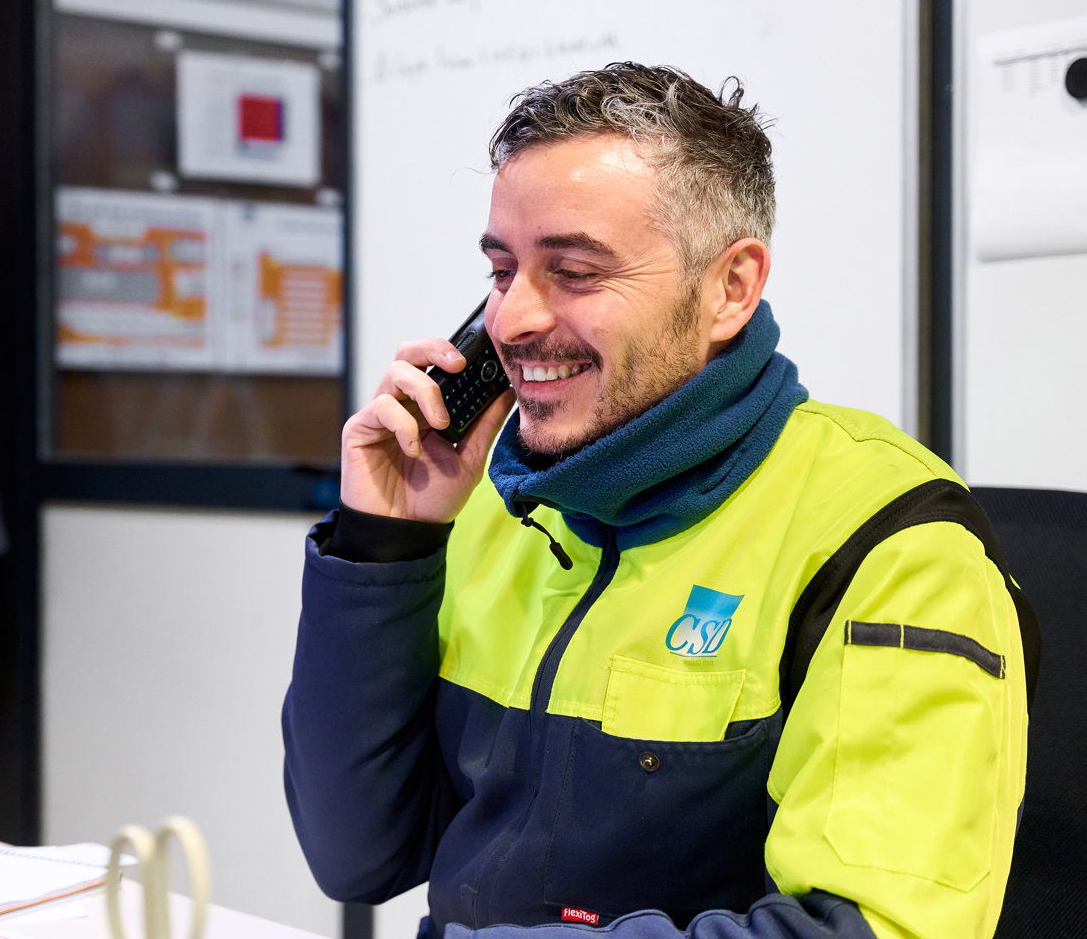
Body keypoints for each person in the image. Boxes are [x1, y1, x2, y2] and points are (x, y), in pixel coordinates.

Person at [282, 63, 1033, 939]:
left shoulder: (894, 547)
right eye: (502, 270)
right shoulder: (492, 500)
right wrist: (385, 542)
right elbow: (357, 856)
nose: (511, 320)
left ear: (730, 289)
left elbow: (872, 929)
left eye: (572, 271)